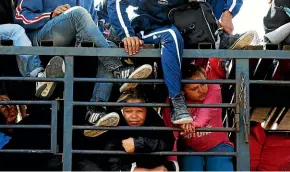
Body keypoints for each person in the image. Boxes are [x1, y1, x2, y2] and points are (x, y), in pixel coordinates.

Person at [14, 0, 153, 137]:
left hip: (77, 45)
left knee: (109, 45)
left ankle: (96, 110)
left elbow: (93, 29)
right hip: (43, 37)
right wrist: (50, 15)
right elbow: (20, 16)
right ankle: (118, 71)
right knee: (78, 13)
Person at [106, 0, 256, 125]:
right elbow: (117, 2)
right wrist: (127, 34)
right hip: (149, 28)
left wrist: (228, 13)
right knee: (171, 35)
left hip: (180, 26)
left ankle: (218, 36)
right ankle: (177, 102)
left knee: (181, 27)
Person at [163, 64, 234, 171]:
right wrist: (173, 161)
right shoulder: (172, 103)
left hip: (218, 145)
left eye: (202, 84)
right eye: (194, 88)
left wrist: (196, 124)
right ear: (183, 91)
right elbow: (171, 135)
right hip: (191, 149)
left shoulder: (213, 88)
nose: (201, 90)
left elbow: (208, 110)